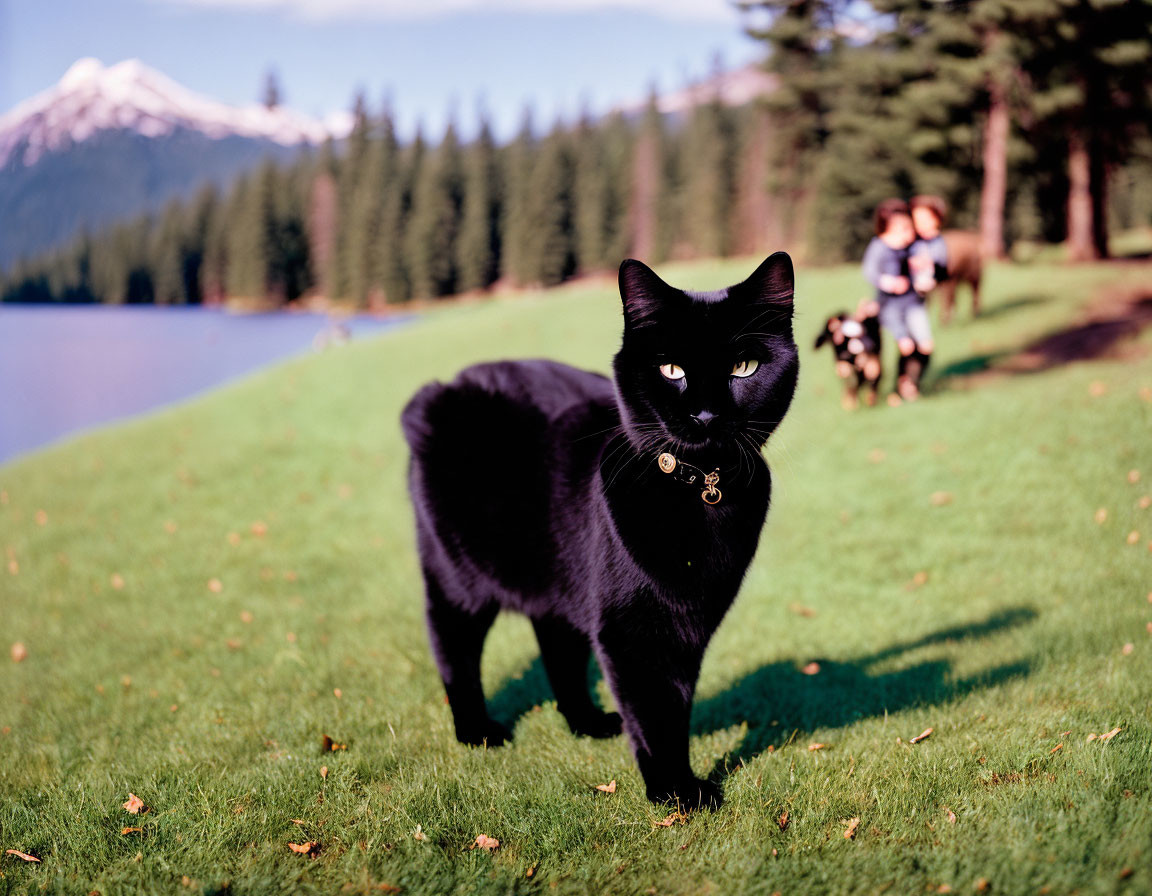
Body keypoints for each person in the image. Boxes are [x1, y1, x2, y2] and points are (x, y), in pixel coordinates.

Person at [861, 198, 933, 403]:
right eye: (904, 228)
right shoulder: (879, 247)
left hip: (913, 303)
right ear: (888, 228)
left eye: (910, 227)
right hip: (890, 306)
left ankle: (910, 383)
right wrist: (888, 282)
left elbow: (924, 267)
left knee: (926, 346)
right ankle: (899, 387)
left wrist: (924, 276)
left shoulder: (913, 247)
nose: (910, 232)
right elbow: (870, 271)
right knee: (906, 345)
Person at [909, 195, 949, 294]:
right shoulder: (911, 241)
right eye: (917, 220)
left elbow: (941, 263)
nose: (921, 223)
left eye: (926, 219)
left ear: (937, 219)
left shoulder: (938, 243)